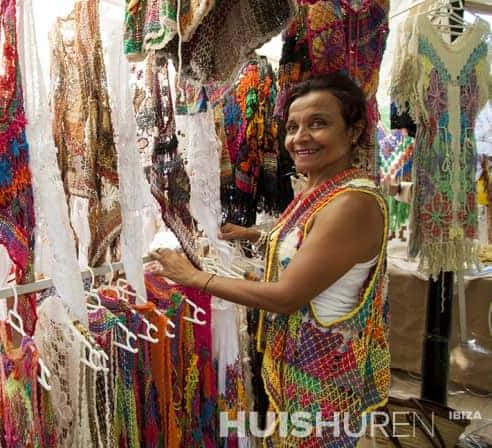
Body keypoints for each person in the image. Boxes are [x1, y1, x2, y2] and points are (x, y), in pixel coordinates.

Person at [151, 73, 390, 446]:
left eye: (318, 124)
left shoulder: (351, 203)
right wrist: (253, 236)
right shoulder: (322, 188)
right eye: (293, 127)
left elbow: (286, 297)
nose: (299, 138)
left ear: (354, 131)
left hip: (323, 372)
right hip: (299, 366)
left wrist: (195, 278)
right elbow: (307, 245)